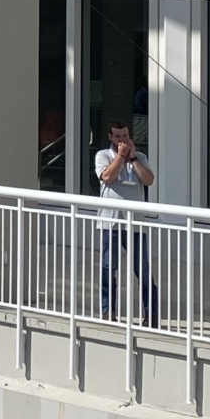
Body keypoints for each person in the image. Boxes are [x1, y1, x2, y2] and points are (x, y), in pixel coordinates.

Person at [92, 120, 159, 325]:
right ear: (110, 137)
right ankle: (107, 311)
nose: (122, 140)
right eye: (118, 137)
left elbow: (148, 180)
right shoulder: (103, 155)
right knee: (107, 267)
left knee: (144, 270)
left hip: (135, 222)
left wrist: (133, 159)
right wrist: (121, 157)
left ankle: (151, 315)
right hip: (110, 221)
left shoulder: (140, 157)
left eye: (125, 136)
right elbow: (107, 176)